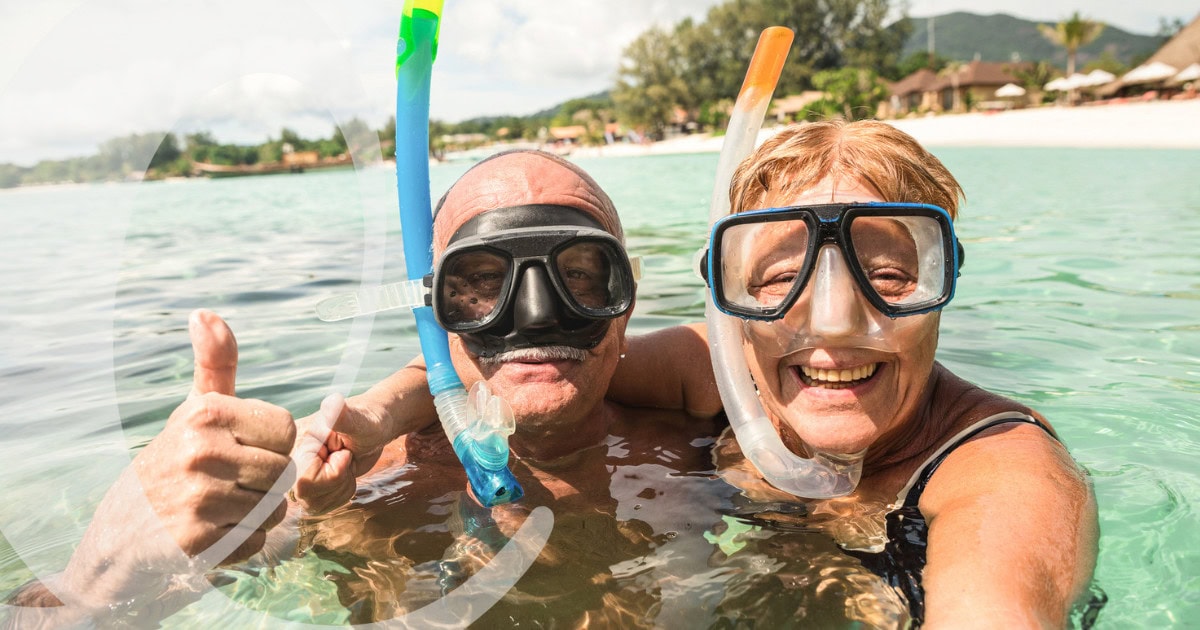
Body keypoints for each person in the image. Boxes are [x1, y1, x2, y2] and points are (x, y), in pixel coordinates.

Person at [2, 149, 722, 626]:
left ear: (625, 302)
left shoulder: (710, 433)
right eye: (480, 284)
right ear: (430, 313)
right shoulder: (359, 479)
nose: (534, 318)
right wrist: (98, 576)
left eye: (580, 277)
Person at [608, 119, 1101, 628]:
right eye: (781, 277)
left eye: (887, 274)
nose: (834, 322)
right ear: (730, 298)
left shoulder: (1007, 472)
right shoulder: (719, 364)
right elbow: (551, 383)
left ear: (944, 278)